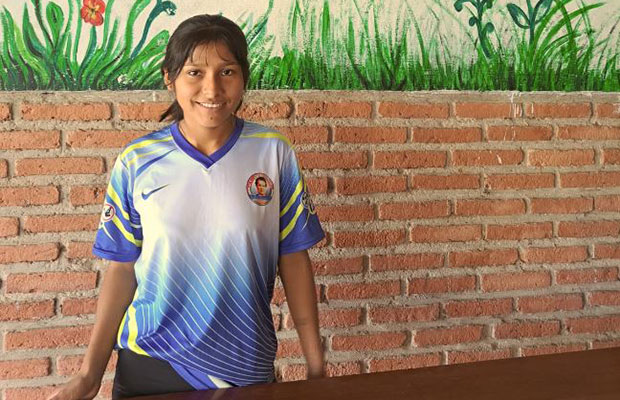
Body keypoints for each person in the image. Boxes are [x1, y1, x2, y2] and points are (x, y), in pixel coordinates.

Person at [47, 13, 325, 400]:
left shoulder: (273, 153)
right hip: (151, 365)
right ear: (169, 76)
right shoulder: (137, 161)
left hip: (245, 367)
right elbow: (122, 268)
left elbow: (293, 258)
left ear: (244, 77)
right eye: (194, 72)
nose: (212, 89)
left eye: (227, 71)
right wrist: (89, 374)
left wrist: (317, 367)